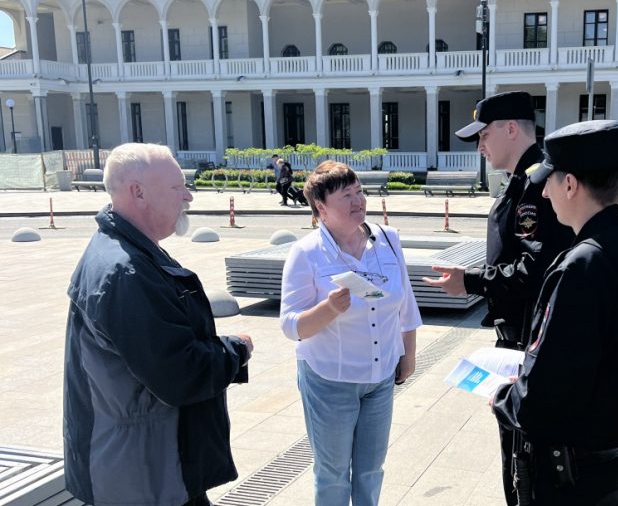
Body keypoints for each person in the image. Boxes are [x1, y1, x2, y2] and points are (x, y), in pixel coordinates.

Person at [491, 120, 618, 505]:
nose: (545, 192)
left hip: (568, 479)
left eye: (550, 181)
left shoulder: (582, 266)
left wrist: (503, 397)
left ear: (570, 185)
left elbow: (541, 401)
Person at [63, 143, 254, 506]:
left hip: (147, 466)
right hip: (145, 476)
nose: (189, 196)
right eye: (177, 186)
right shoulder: (126, 271)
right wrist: (237, 349)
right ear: (138, 192)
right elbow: (180, 373)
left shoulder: (126, 251)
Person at [423, 90, 574, 505]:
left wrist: (471, 282)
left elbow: (536, 268)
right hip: (520, 335)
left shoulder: (538, 184)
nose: (480, 146)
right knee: (517, 460)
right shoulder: (527, 180)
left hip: (531, 339)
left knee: (525, 465)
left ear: (511, 129)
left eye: (484, 135)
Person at [279, 161, 421, 506]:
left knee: (372, 470)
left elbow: (406, 305)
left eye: (360, 192)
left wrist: (409, 355)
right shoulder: (306, 252)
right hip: (330, 379)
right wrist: (328, 309)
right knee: (333, 473)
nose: (359, 201)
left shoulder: (388, 239)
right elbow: (291, 326)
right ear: (321, 208)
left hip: (381, 376)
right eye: (347, 196)